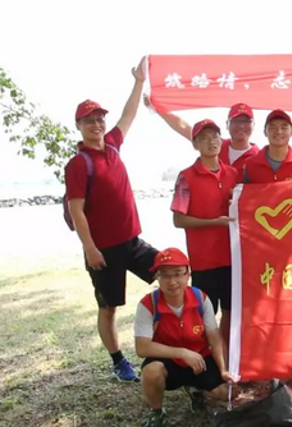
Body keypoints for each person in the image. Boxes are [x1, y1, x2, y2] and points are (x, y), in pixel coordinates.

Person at [64, 57, 158, 382]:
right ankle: (119, 361)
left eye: (99, 119)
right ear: (79, 125)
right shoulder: (78, 164)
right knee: (109, 308)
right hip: (103, 250)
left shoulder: (114, 145)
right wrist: (90, 249)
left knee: (172, 275)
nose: (97, 124)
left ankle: (168, 339)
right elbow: (77, 209)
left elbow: (128, 115)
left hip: (132, 241)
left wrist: (139, 82)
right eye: (89, 120)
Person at [134, 248, 236, 427]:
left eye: (177, 274)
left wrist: (223, 369)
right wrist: (182, 353)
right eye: (164, 275)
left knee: (225, 393)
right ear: (157, 277)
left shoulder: (200, 298)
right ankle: (157, 412)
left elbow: (214, 337)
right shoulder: (148, 304)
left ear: (188, 274)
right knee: (151, 372)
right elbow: (142, 348)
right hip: (168, 360)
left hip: (199, 359)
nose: (172, 281)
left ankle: (197, 392)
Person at [170, 119, 239, 349]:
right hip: (203, 261)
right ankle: (205, 360)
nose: (212, 142)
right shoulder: (186, 177)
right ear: (195, 144)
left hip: (232, 258)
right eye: (205, 138)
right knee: (204, 316)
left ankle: (227, 359)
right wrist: (213, 223)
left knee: (230, 311)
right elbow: (178, 219)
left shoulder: (233, 174)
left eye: (215, 136)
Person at [144, 96, 259, 177]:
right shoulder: (215, 145)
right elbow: (182, 126)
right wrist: (157, 108)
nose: (241, 126)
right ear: (227, 125)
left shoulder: (259, 157)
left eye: (246, 121)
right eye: (236, 121)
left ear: (253, 125)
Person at [242, 109, 292, 183]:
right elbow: (245, 193)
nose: (278, 131)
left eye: (284, 128)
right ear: (265, 132)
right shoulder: (251, 165)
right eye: (273, 127)